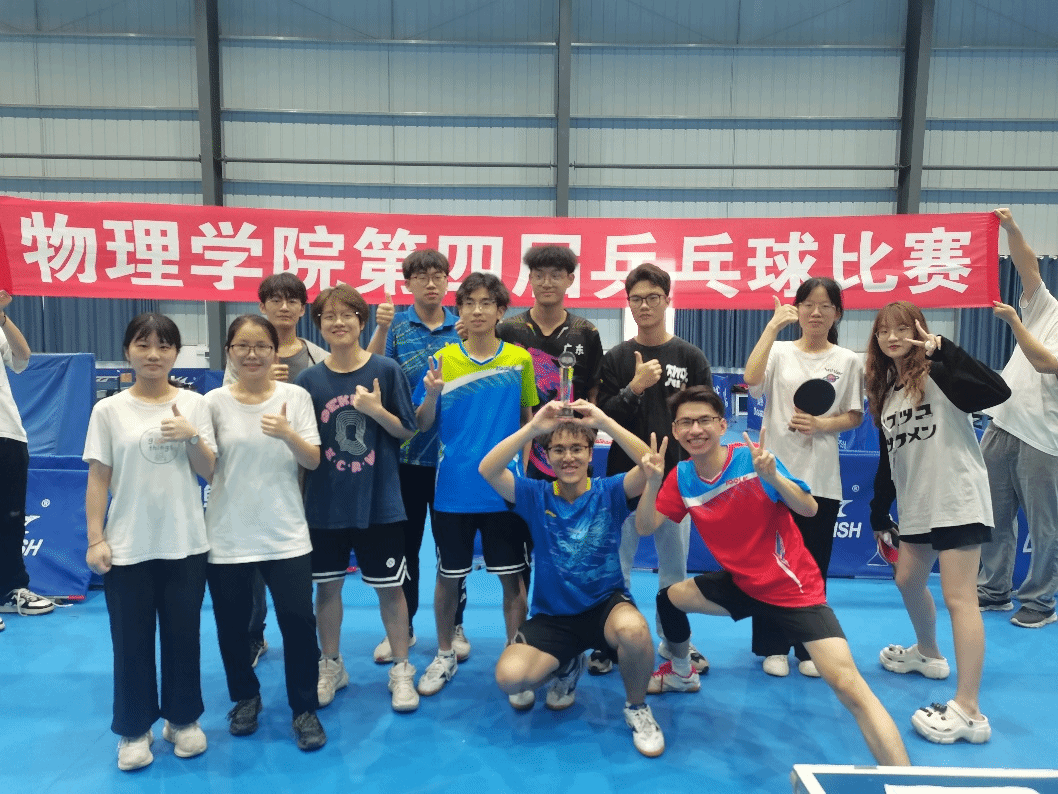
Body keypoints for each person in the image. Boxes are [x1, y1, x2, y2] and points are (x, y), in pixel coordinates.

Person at [635, 386, 911, 767]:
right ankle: (681, 672)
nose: (695, 429)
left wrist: (775, 477)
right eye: (686, 422)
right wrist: (651, 483)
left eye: (704, 420)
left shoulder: (753, 460)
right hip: (741, 583)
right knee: (669, 598)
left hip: (792, 589)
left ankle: (905, 780)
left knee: (850, 687)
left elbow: (810, 508)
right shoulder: (682, 476)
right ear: (676, 430)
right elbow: (645, 526)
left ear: (722, 425)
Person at [480, 399, 666, 757]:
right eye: (559, 449)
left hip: (605, 607)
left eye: (577, 449)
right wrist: (533, 428)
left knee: (634, 632)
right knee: (511, 678)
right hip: (554, 616)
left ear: (590, 454)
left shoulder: (609, 491)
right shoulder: (534, 495)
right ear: (547, 456)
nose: (569, 457)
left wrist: (605, 422)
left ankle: (637, 707)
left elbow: (650, 463)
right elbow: (488, 469)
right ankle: (567, 664)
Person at [867, 302, 1010, 744]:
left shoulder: (942, 373)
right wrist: (879, 511)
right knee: (907, 580)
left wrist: (944, 350)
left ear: (919, 330)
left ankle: (969, 710)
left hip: (956, 498)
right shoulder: (888, 393)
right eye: (884, 330)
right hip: (918, 505)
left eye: (901, 329)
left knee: (959, 597)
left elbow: (997, 391)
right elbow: (889, 461)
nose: (893, 337)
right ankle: (928, 653)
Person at [83, 313, 217, 771]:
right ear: (128, 351)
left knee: (184, 636)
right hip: (127, 545)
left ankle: (183, 720)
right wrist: (95, 539)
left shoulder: (195, 404)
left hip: (185, 542)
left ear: (176, 353)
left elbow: (211, 471)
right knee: (130, 640)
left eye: (164, 346)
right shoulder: (109, 410)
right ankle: (134, 728)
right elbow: (98, 477)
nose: (154, 354)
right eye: (143, 345)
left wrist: (192, 436)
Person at [293, 285, 419, 713]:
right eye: (329, 316)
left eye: (348, 314)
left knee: (391, 591)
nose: (339, 322)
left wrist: (376, 411)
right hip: (325, 504)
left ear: (362, 322)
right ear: (319, 325)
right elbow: (304, 450)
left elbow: (407, 430)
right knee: (327, 590)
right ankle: (331, 664)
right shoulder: (307, 381)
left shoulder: (385, 369)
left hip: (379, 502)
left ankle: (401, 668)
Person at [414, 272, 538, 703]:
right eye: (469, 303)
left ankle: (515, 656)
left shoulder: (519, 360)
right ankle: (444, 653)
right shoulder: (442, 360)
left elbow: (527, 421)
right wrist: (431, 395)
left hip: (504, 491)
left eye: (487, 303)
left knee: (512, 581)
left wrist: (521, 475)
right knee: (448, 577)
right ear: (459, 311)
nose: (478, 310)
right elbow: (423, 424)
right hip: (453, 489)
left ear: (501, 311)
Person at [205, 315, 326, 751]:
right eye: (242, 346)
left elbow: (312, 460)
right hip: (228, 533)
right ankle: (245, 697)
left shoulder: (295, 396)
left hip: (285, 531)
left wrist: (288, 433)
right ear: (229, 352)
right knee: (233, 626)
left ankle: (304, 707)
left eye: (261, 346)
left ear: (276, 352)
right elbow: (206, 467)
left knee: (299, 623)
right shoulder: (213, 402)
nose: (252, 354)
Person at [742, 278, 864, 678]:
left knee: (812, 564)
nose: (816, 312)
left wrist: (822, 424)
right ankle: (773, 645)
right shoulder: (778, 351)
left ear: (837, 314)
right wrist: (772, 327)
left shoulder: (848, 360)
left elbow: (854, 415)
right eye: (808, 304)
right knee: (771, 563)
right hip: (774, 475)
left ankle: (809, 647)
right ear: (796, 309)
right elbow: (752, 379)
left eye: (825, 306)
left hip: (821, 479)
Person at [596, 263, 712, 676]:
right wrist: (635, 386)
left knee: (674, 569)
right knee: (617, 564)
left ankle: (674, 641)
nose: (644, 305)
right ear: (628, 305)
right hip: (622, 478)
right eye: (636, 299)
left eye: (652, 297)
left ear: (667, 300)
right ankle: (610, 640)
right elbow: (603, 416)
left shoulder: (689, 356)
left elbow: (705, 416)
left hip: (677, 479)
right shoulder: (616, 358)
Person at [365, 250, 472, 664]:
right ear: (408, 283)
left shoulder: (463, 327)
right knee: (405, 546)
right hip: (405, 457)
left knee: (452, 550)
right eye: (421, 276)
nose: (431, 283)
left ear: (447, 281)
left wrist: (469, 339)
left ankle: (455, 624)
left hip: (451, 459)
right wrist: (381, 327)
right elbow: (371, 369)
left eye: (438, 275)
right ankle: (403, 627)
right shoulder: (396, 328)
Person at [223, 272, 328, 669]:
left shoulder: (318, 355)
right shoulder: (243, 357)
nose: (284, 307)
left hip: (306, 470)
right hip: (257, 476)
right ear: (262, 305)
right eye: (276, 300)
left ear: (302, 308)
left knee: (300, 566)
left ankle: (310, 646)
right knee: (251, 566)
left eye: (292, 300)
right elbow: (232, 406)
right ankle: (255, 633)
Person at [977, 208, 1058, 629]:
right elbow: (1029, 268)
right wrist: (1011, 229)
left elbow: (1045, 363)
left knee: (1045, 528)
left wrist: (1013, 321)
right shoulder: (1048, 309)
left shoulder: (1032, 322)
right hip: (1001, 424)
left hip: (1045, 440)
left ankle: (1040, 601)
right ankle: (993, 590)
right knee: (992, 516)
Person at [496, 245, 604, 480]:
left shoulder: (586, 332)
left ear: (570, 279)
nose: (547, 283)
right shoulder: (506, 330)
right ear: (530, 279)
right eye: (539, 275)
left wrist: (588, 442)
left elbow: (594, 394)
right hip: (518, 448)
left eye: (555, 275)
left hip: (571, 452)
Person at [0, 290, 55, 631]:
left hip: (7, 432)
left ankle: (10, 589)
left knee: (11, 518)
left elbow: (23, 357)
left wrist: (2, 318)